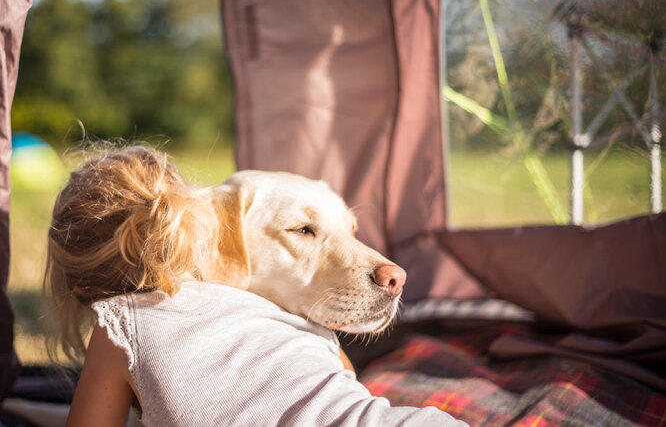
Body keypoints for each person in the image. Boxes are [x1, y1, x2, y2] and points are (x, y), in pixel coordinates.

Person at [45, 145, 467, 426]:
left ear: (81, 288)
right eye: (304, 230)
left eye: (350, 230)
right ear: (222, 241)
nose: (384, 270)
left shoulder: (119, 329)